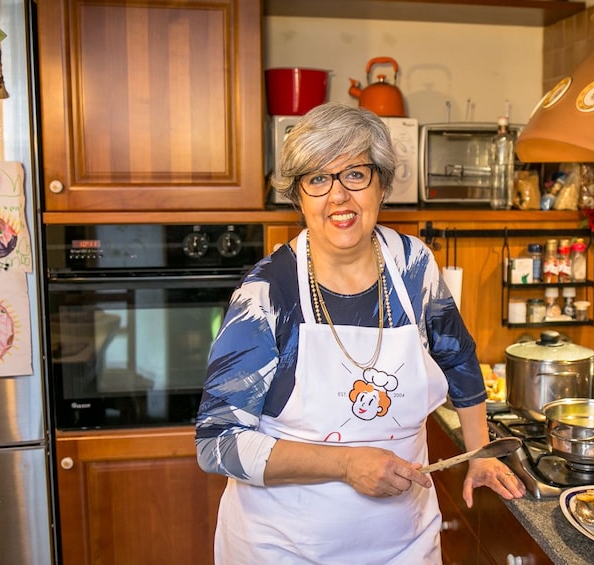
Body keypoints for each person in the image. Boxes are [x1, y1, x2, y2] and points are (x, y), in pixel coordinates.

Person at [195, 103, 526, 564]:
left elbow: (459, 359)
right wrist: (347, 464)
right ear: (298, 195)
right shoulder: (268, 294)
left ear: (383, 184)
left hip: (404, 544)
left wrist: (478, 451)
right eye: (317, 178)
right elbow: (217, 444)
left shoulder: (414, 266)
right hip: (284, 550)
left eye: (355, 174)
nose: (338, 197)